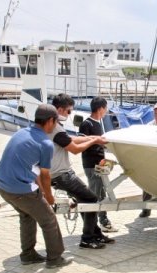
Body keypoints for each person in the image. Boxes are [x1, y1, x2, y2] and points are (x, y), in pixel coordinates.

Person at [0, 104, 72, 269]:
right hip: (19, 190)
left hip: (3, 186)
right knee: (49, 220)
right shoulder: (45, 143)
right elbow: (45, 175)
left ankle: (28, 254)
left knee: (27, 215)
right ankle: (55, 258)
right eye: (57, 122)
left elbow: (33, 169)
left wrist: (42, 193)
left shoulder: (21, 132)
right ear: (50, 121)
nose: (57, 125)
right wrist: (49, 198)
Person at [49, 93, 115, 249]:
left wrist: (93, 138)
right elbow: (75, 149)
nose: (70, 114)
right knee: (91, 200)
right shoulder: (55, 128)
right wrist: (94, 139)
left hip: (62, 173)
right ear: (60, 109)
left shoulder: (54, 126)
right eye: (69, 111)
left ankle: (95, 234)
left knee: (85, 200)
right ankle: (87, 239)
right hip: (62, 175)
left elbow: (72, 139)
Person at [79, 96, 118, 233]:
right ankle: (92, 226)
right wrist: (97, 142)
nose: (106, 111)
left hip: (100, 164)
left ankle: (103, 221)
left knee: (101, 193)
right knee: (95, 195)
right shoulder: (87, 124)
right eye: (106, 108)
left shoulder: (98, 122)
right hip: (91, 165)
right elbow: (82, 144)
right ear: (101, 108)